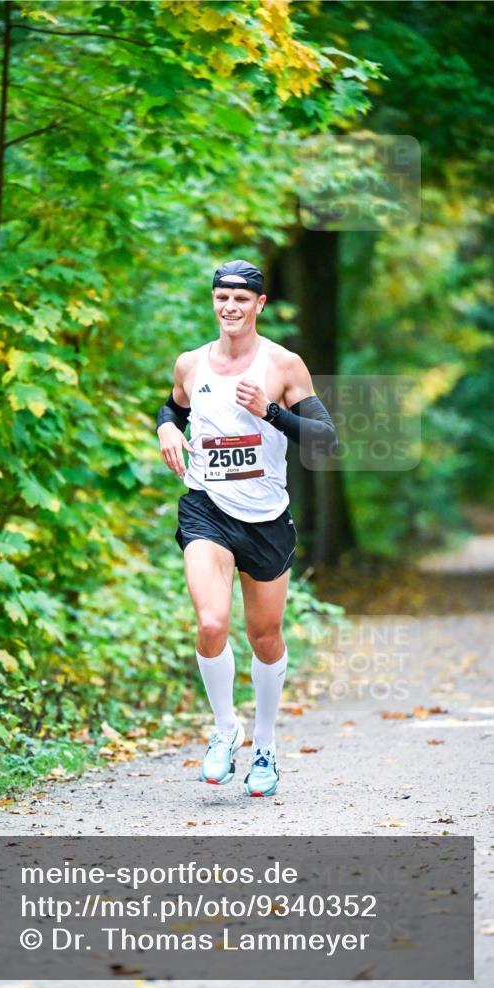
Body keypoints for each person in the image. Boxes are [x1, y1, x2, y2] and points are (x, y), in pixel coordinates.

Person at [156, 259, 337, 797]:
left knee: (265, 637)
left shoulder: (283, 365)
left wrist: (271, 413)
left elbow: (325, 438)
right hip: (206, 508)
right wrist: (167, 428)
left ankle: (266, 745)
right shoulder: (191, 364)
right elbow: (172, 408)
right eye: (222, 297)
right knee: (212, 622)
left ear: (259, 305)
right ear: (213, 301)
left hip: (266, 518)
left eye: (241, 299)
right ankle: (224, 729)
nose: (230, 307)